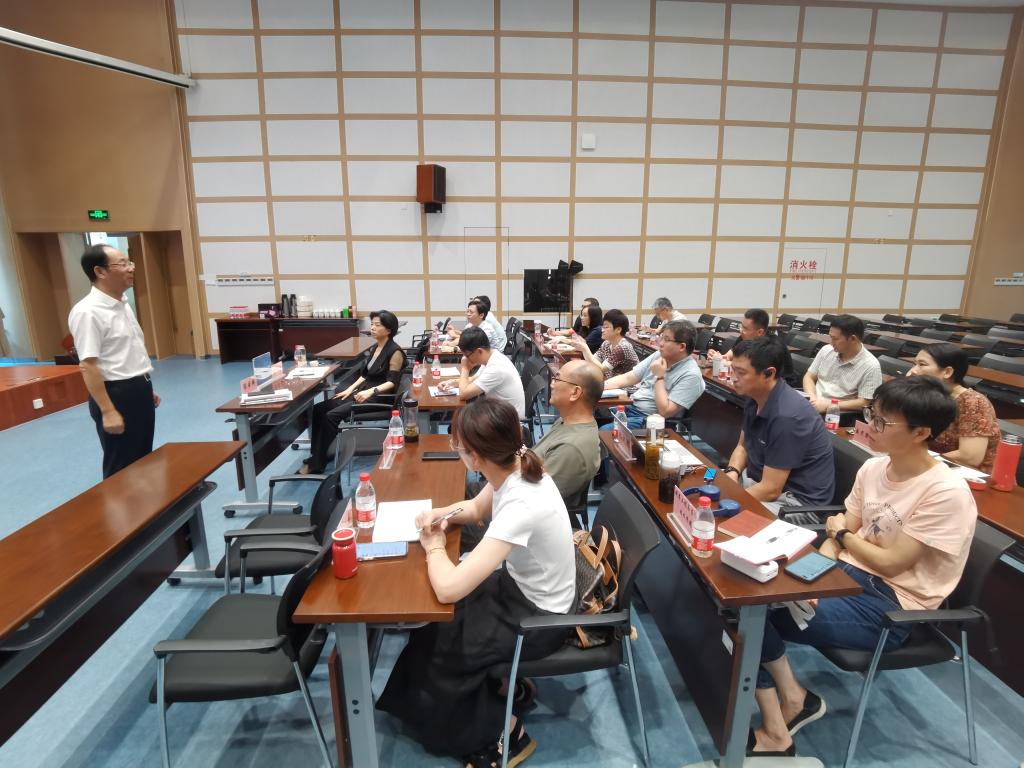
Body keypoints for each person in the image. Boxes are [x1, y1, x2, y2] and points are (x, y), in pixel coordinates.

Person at [750, 376, 976, 757]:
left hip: (891, 606)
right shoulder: (873, 468)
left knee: (753, 614)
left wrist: (842, 537)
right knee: (750, 592)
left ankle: (780, 727)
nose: (869, 425)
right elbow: (837, 537)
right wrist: (810, 578)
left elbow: (890, 561)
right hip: (847, 575)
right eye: (872, 414)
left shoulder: (945, 492)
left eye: (882, 421)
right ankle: (794, 699)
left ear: (921, 432)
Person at [377, 397, 575, 767]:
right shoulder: (515, 463)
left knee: (443, 648)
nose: (457, 450)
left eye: (458, 446)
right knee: (433, 624)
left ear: (476, 458)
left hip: (539, 618)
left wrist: (435, 546)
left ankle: (503, 734)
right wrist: (439, 514)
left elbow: (448, 588)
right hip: (521, 590)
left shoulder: (522, 503)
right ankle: (499, 687)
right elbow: (476, 509)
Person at [68, 244, 160, 478]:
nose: (130, 268)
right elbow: (88, 365)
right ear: (100, 271)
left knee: (143, 459)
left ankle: (145, 502)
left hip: (137, 388)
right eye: (122, 264)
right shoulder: (87, 312)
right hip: (115, 394)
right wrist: (108, 410)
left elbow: (125, 353)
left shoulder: (122, 304)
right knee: (121, 466)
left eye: (130, 263)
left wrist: (142, 385)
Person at [722, 337, 834, 513]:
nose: (733, 378)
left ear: (769, 374)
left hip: (795, 504)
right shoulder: (755, 396)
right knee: (706, 491)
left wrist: (729, 500)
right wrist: (732, 472)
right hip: (758, 483)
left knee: (724, 517)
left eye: (741, 373)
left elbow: (771, 490)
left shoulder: (787, 417)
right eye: (733, 369)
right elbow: (742, 446)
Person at [301, 310, 405, 474]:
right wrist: (349, 389)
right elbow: (365, 375)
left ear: (389, 329)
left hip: (378, 397)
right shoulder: (376, 347)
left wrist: (370, 392)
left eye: (377, 325)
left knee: (331, 416)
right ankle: (318, 453)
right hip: (363, 392)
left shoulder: (395, 352)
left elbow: (391, 382)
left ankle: (317, 463)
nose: (372, 328)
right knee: (319, 409)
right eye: (372, 324)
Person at [907, 342, 999, 472]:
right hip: (933, 467)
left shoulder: (973, 402)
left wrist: (922, 461)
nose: (913, 371)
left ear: (947, 372)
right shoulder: (929, 396)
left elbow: (970, 457)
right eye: (914, 364)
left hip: (970, 476)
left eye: (922, 365)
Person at [532, 359, 603, 517]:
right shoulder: (566, 420)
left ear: (575, 393)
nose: (552, 384)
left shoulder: (571, 448)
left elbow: (532, 500)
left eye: (557, 379)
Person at [603, 320, 705, 429]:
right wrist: (598, 387)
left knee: (604, 431)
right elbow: (629, 377)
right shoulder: (659, 355)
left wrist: (659, 377)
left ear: (682, 347)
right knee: (594, 413)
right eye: (661, 337)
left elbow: (665, 411)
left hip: (650, 421)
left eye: (666, 339)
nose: (660, 343)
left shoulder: (691, 375)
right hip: (631, 407)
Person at [803, 314, 882, 415]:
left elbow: (864, 402)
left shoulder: (871, 365)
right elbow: (809, 376)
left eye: (835, 339)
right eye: (831, 338)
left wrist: (829, 405)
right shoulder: (826, 350)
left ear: (853, 339)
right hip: (813, 405)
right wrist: (812, 398)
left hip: (837, 414)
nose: (831, 343)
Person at [441, 325, 525, 419]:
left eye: (467, 356)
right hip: (499, 413)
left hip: (508, 422)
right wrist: (452, 382)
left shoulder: (496, 367)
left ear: (479, 351)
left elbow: (463, 394)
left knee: (461, 419)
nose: (466, 359)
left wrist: (465, 368)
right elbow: (473, 379)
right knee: (461, 417)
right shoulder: (492, 356)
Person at [569, 308, 639, 378]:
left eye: (606, 327)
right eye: (603, 326)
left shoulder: (623, 347)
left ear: (618, 330)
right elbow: (593, 360)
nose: (602, 330)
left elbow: (602, 368)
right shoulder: (606, 343)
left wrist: (585, 348)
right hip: (612, 381)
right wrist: (583, 348)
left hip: (628, 384)